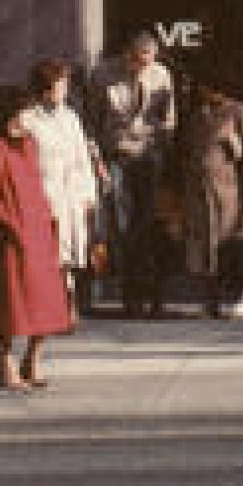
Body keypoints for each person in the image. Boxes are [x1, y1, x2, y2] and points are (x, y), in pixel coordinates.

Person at [0, 83, 70, 391]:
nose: (26, 119)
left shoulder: (29, 145)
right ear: (7, 114)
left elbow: (37, 183)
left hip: (38, 228)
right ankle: (6, 363)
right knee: (9, 303)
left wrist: (49, 218)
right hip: (8, 236)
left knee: (47, 300)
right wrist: (7, 221)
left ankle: (33, 357)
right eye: (22, 112)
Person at [95, 31, 175, 318]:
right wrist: (98, 159)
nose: (144, 68)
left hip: (149, 156)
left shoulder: (161, 75)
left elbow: (168, 120)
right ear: (128, 55)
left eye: (149, 62)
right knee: (124, 226)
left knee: (148, 225)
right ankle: (131, 295)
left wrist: (161, 153)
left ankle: (152, 294)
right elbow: (93, 121)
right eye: (139, 62)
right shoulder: (103, 75)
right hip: (116, 155)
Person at [22, 58, 98, 329]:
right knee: (49, 255)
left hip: (71, 195)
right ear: (45, 87)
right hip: (44, 195)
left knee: (68, 255)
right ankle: (51, 309)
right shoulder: (27, 119)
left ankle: (68, 306)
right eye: (60, 83)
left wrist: (88, 192)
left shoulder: (70, 117)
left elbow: (81, 157)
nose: (65, 89)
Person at [180, 78, 243, 319]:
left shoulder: (240, 113)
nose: (204, 92)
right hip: (200, 193)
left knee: (234, 245)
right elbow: (187, 153)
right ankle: (210, 298)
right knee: (206, 248)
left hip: (231, 192)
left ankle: (239, 295)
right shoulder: (197, 116)